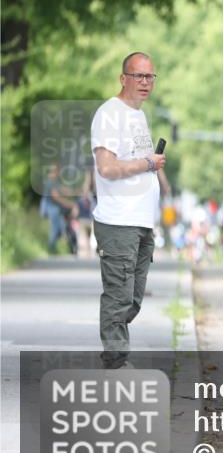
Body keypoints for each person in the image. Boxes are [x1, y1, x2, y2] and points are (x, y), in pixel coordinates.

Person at [90, 52, 170, 369]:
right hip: (118, 220)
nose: (145, 82)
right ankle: (115, 363)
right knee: (118, 296)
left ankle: (115, 355)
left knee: (132, 299)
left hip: (141, 220)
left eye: (150, 76)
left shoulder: (139, 115)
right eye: (138, 76)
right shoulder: (110, 114)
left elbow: (138, 162)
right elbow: (107, 168)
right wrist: (148, 163)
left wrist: (155, 172)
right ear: (123, 78)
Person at [40, 163, 77, 254]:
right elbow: (55, 197)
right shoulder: (51, 181)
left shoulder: (54, 181)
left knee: (60, 229)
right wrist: (69, 204)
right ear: (55, 171)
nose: (60, 173)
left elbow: (63, 190)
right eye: (59, 171)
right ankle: (50, 248)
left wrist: (75, 191)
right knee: (55, 229)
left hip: (55, 209)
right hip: (52, 208)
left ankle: (53, 249)